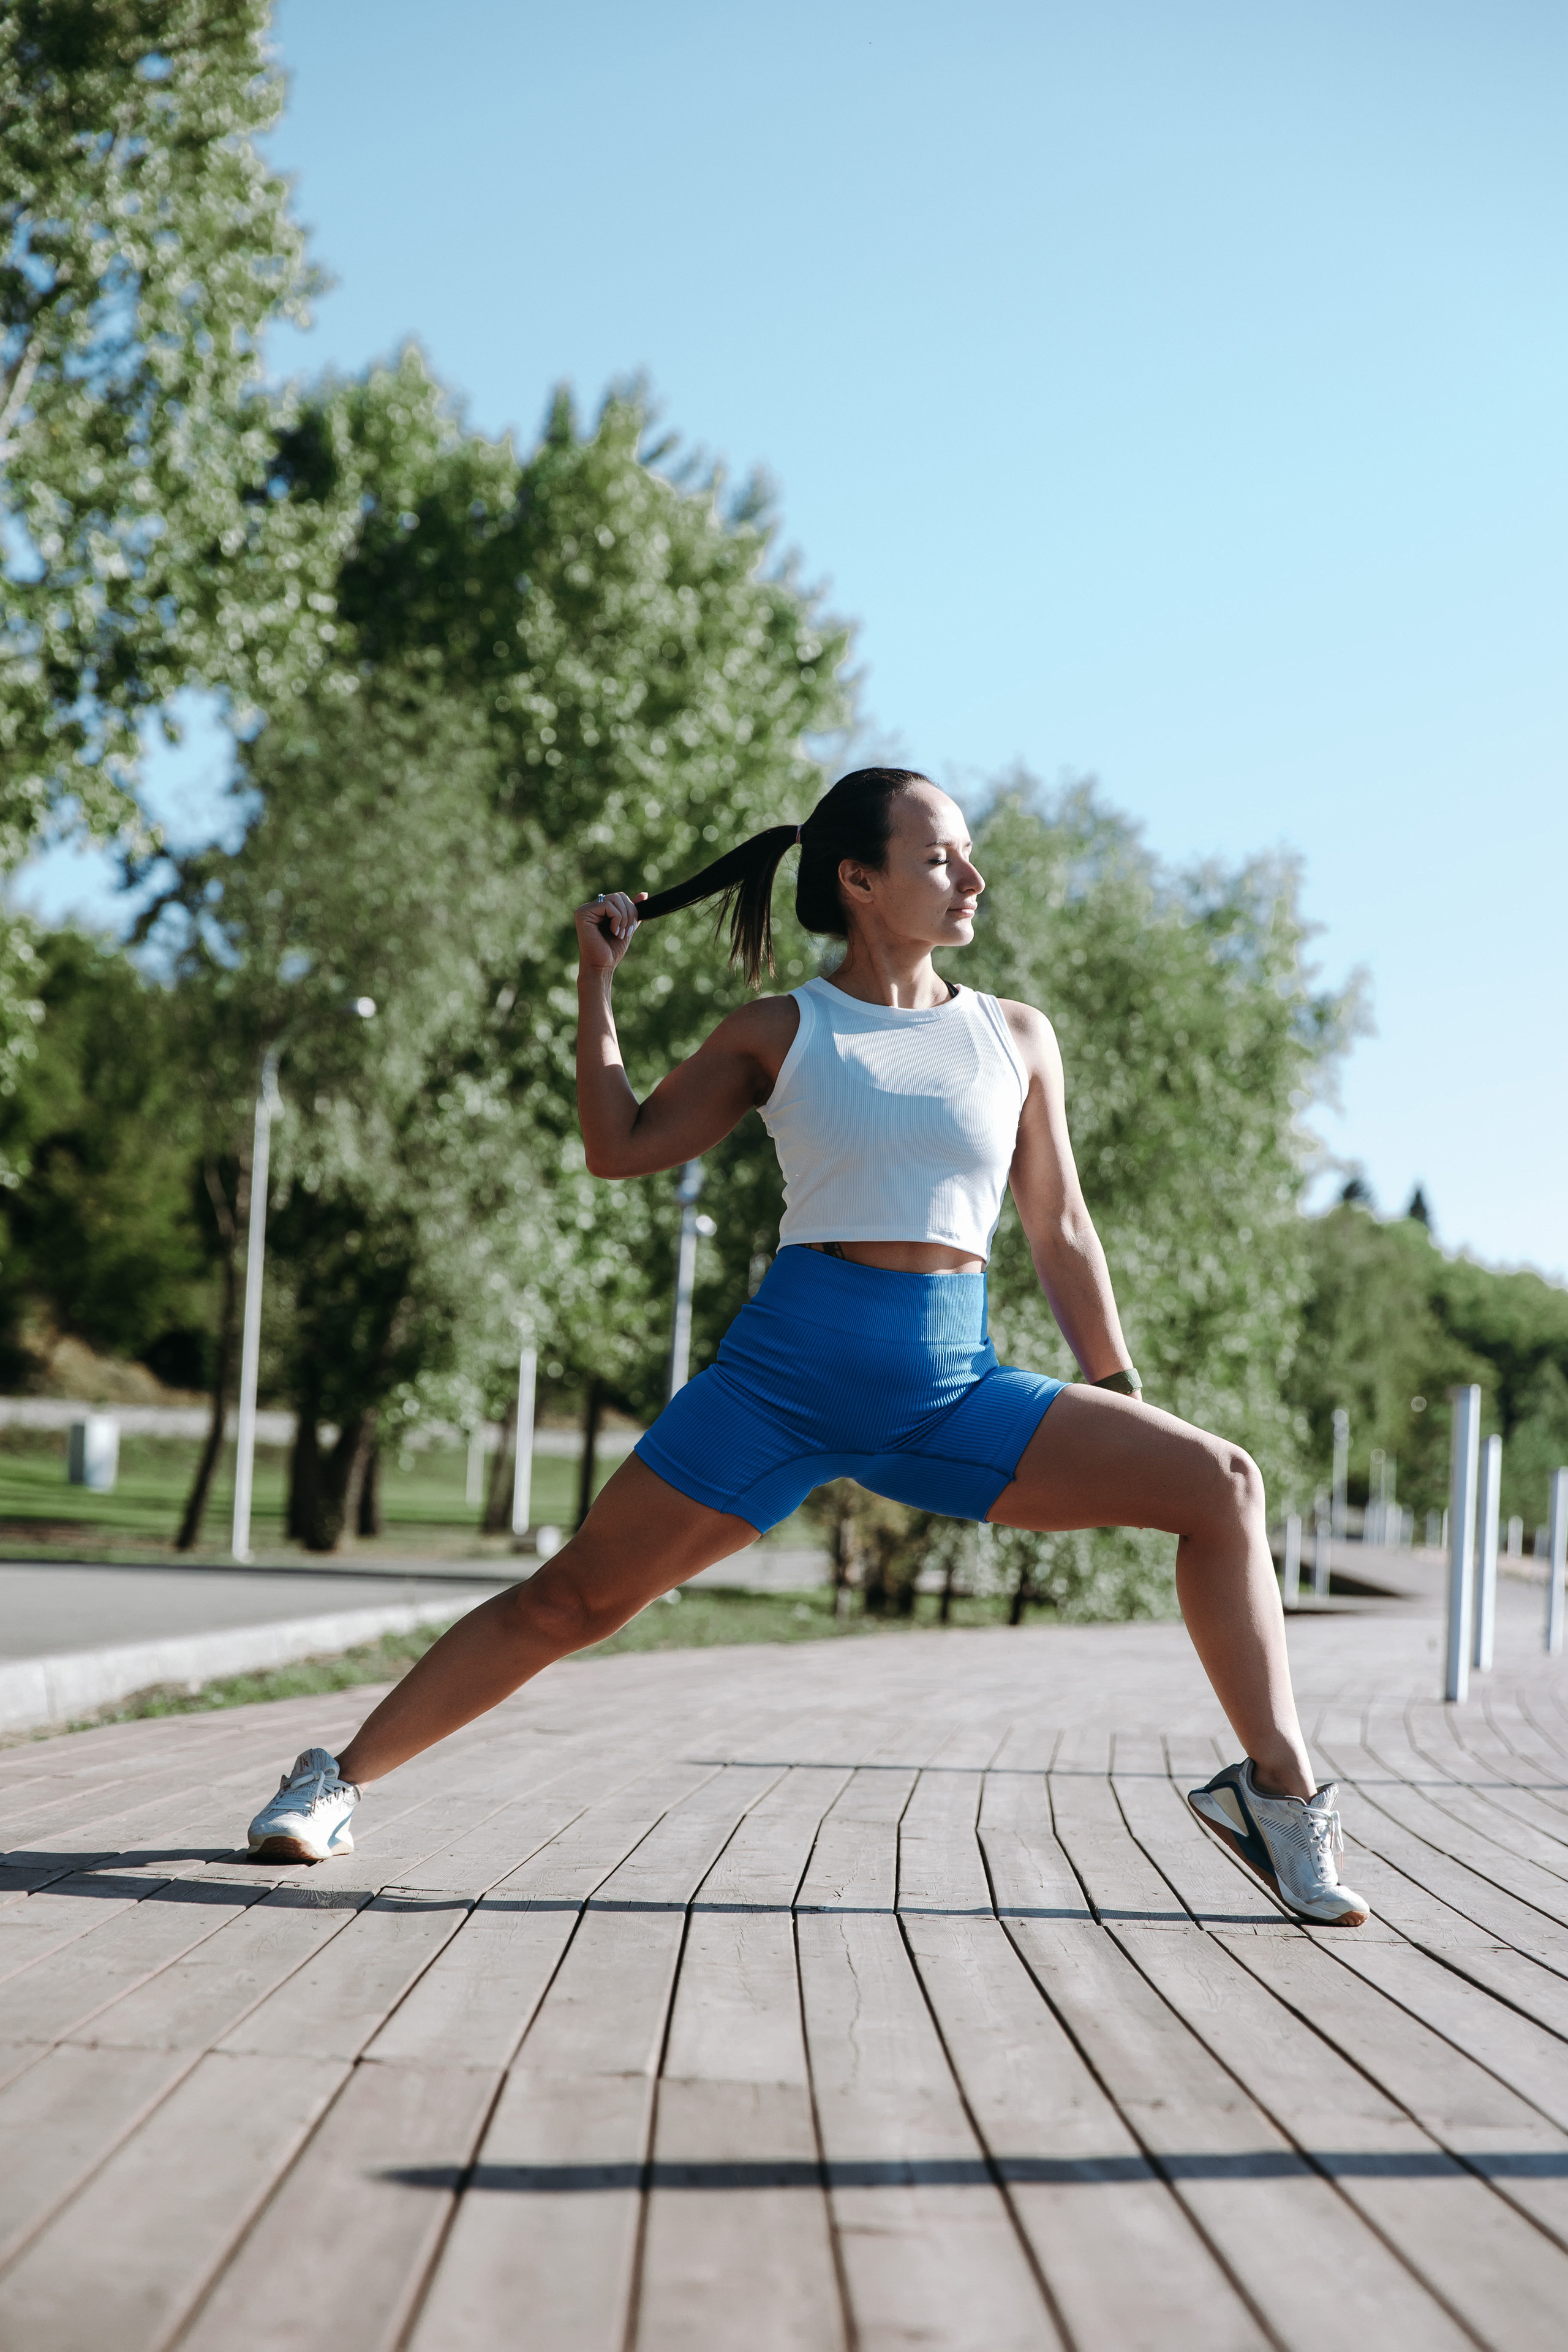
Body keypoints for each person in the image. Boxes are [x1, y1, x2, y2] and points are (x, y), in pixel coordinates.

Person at [246, 767, 1367, 1928]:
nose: (973, 877)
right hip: (780, 1387)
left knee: (1221, 1480)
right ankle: (330, 1782)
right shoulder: (783, 1029)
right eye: (940, 859)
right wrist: (597, 988)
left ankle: (1275, 1796)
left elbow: (1061, 1227)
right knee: (569, 1602)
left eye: (967, 855)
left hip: (950, 1393)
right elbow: (620, 1147)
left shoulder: (1014, 1036)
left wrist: (1123, 1396)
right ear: (859, 880)